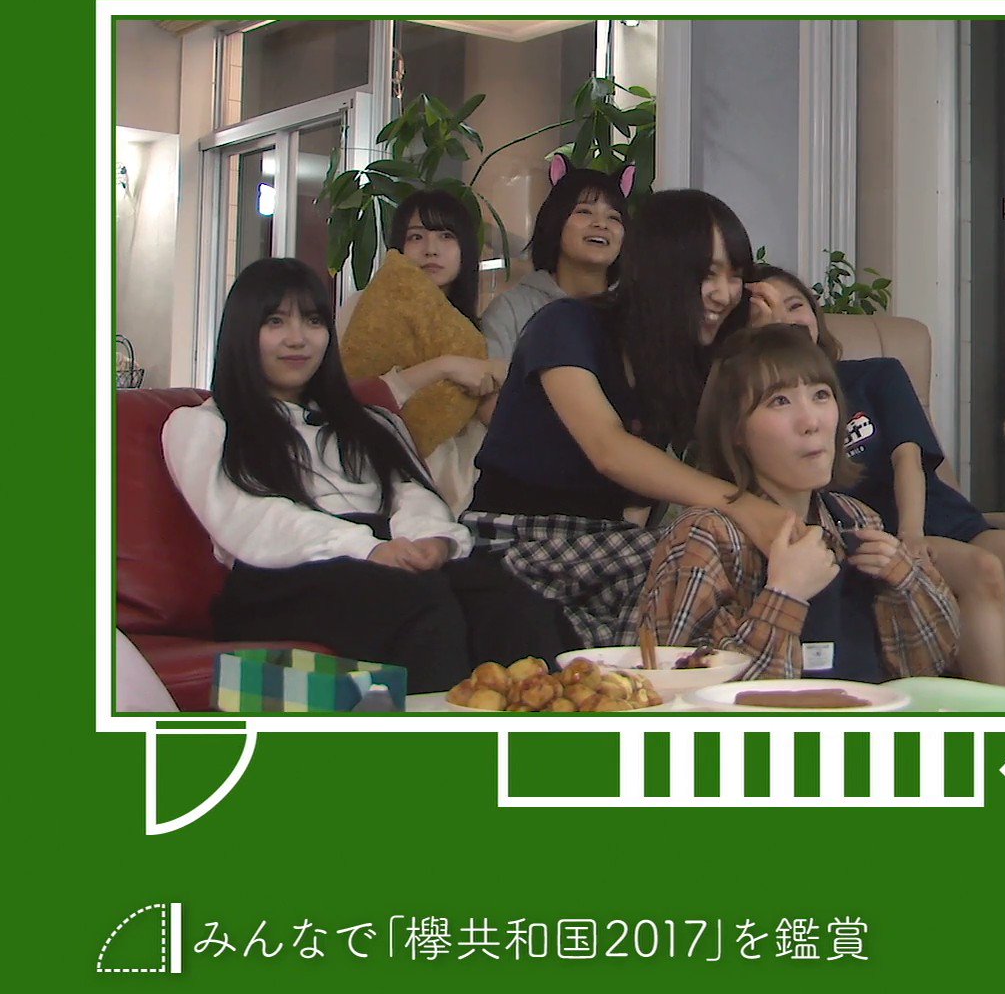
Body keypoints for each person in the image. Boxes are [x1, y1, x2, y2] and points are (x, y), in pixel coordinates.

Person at [163, 258, 569, 694]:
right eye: (275, 321)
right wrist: (366, 548)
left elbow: (410, 492)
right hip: (279, 576)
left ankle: (546, 722)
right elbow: (250, 518)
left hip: (382, 555)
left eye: (313, 321)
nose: (298, 339)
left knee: (510, 600)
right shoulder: (205, 425)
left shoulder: (369, 421)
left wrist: (430, 540)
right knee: (417, 602)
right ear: (243, 332)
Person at [465, 189, 788, 648]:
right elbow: (609, 450)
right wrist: (743, 507)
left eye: (736, 276)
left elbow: (746, 454)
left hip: (608, 547)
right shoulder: (565, 325)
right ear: (658, 271)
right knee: (698, 550)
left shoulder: (687, 361)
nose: (725, 294)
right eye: (707, 274)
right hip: (516, 542)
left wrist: (760, 350)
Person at [745, 267, 1005, 696]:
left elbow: (909, 457)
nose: (790, 320)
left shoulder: (877, 374)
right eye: (772, 312)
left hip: (928, 516)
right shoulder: (769, 409)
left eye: (797, 306)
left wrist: (913, 533)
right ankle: (996, 723)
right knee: (983, 571)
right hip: (873, 533)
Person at [639, 325, 958, 681]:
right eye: (780, 401)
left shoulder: (857, 519)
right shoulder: (705, 536)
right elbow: (676, 688)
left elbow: (927, 666)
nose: (811, 422)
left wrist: (905, 580)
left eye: (821, 395)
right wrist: (784, 596)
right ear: (735, 430)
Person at [340, 189, 503, 512]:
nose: (431, 249)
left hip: (461, 489)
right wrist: (447, 365)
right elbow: (350, 396)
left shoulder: (477, 331)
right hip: (374, 476)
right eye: (416, 237)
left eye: (446, 236)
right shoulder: (363, 308)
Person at [481, 157, 635, 365]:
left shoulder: (636, 312)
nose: (601, 224)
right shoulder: (511, 310)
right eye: (584, 212)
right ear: (555, 221)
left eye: (614, 217)